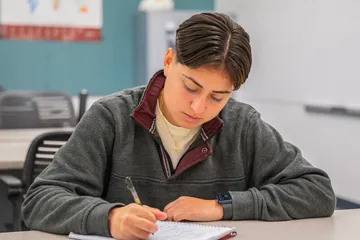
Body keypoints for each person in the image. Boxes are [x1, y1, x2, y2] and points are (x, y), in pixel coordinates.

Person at [22, 12, 335, 240]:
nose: (199, 108)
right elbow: (40, 200)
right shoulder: (110, 118)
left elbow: (316, 192)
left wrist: (222, 207)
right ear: (169, 61)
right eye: (190, 87)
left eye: (218, 96)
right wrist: (110, 218)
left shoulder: (242, 125)